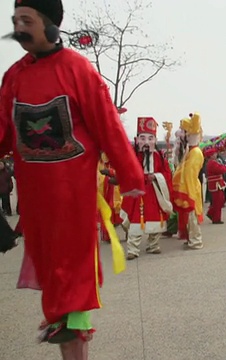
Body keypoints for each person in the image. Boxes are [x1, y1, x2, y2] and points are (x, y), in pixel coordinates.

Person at [1, 0, 145, 357]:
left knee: (71, 283)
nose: (18, 26)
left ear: (49, 25)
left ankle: (71, 339)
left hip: (72, 197)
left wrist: (130, 176)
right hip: (34, 202)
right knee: (54, 278)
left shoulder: (79, 70)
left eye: (26, 20)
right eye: (15, 19)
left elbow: (107, 125)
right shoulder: (14, 76)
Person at [121, 117, 173, 260]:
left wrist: (156, 176)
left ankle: (153, 245)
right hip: (137, 194)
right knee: (136, 223)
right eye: (142, 138)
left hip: (154, 193)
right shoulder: (131, 156)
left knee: (156, 222)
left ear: (155, 141)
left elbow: (167, 174)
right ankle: (132, 249)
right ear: (136, 140)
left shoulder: (159, 157)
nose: (146, 142)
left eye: (150, 138)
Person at [173, 113, 205, 250]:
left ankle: (196, 241)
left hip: (190, 189)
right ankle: (190, 238)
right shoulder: (189, 151)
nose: (181, 135)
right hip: (186, 187)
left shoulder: (196, 152)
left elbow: (190, 175)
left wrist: (188, 194)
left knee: (193, 216)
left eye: (184, 132)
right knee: (188, 217)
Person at [206, 153, 226, 224]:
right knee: (218, 202)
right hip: (216, 184)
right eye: (214, 154)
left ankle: (211, 213)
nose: (216, 155)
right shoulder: (212, 163)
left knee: (220, 200)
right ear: (211, 155)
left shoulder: (213, 162)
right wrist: (225, 167)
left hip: (218, 183)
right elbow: (219, 170)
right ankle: (216, 218)